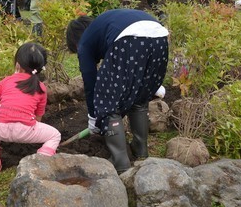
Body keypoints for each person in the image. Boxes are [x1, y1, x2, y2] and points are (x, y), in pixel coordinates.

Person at [66, 9, 169, 173]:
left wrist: (94, 118)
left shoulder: (84, 42)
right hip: (160, 36)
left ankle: (120, 162)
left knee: (107, 101)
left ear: (76, 42)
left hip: (130, 38)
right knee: (139, 98)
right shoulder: (105, 26)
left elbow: (90, 81)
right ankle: (140, 151)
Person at [0, 42, 61, 174]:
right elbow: (39, 114)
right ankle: (40, 162)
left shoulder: (6, 81)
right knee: (55, 135)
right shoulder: (40, 88)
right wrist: (33, 128)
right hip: (25, 130)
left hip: (0, 128)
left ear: (17, 63)